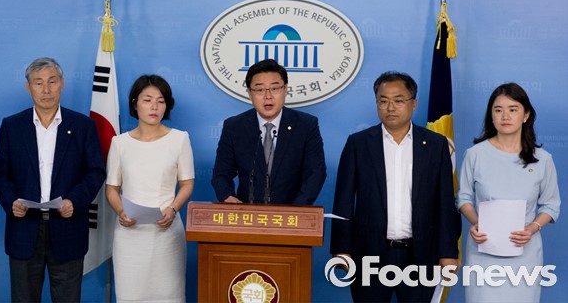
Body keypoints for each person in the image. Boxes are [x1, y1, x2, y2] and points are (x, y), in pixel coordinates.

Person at [330, 71, 460, 302]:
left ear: (413, 104)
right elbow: (343, 201)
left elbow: (445, 202)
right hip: (369, 253)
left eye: (398, 100)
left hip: (420, 254)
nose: (390, 107)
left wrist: (448, 252)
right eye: (383, 101)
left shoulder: (435, 145)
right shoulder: (359, 144)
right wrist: (341, 250)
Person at [0, 57, 105, 302]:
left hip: (68, 227)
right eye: (38, 82)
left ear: (62, 83)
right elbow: (0, 174)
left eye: (52, 81)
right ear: (28, 87)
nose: (46, 89)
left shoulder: (83, 126)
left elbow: (95, 171)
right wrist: (12, 202)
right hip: (24, 227)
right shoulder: (12, 126)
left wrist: (74, 201)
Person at [456, 82, 560, 302]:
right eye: (498, 110)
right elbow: (463, 198)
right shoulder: (475, 154)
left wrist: (532, 228)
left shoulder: (543, 159)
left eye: (513, 109)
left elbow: (551, 205)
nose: (505, 116)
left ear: (526, 115)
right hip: (483, 250)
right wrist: (478, 222)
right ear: (491, 115)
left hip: (525, 253)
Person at [105, 74, 194, 302]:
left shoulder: (179, 139)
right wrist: (121, 212)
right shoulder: (120, 143)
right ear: (135, 103)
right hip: (129, 232)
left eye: (161, 101)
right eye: (147, 100)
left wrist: (172, 209)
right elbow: (112, 188)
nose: (154, 106)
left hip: (167, 230)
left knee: (169, 295)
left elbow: (187, 184)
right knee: (130, 295)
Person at [211, 59, 326, 205]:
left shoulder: (306, 125)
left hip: (292, 213)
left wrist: (297, 209)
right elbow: (221, 173)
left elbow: (315, 172)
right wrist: (227, 196)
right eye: (259, 90)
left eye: (275, 88)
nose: (268, 96)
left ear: (285, 89)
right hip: (247, 214)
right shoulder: (234, 127)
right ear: (249, 93)